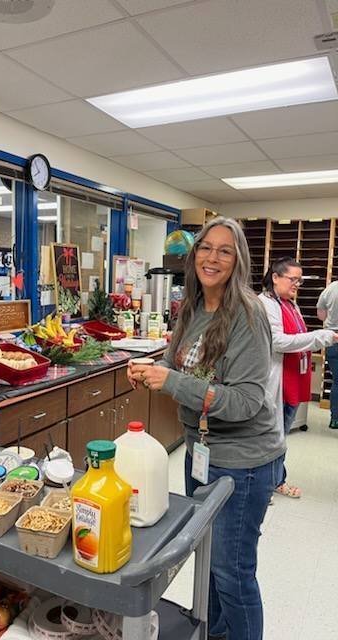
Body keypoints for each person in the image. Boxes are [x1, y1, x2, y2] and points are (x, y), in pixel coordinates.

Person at [128, 217, 284, 640]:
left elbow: (247, 402)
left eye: (225, 250)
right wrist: (154, 369)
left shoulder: (247, 316)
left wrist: (172, 382)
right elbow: (183, 364)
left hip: (243, 464)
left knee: (233, 574)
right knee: (211, 561)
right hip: (204, 454)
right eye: (205, 247)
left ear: (239, 261)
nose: (212, 258)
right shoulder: (195, 308)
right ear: (193, 254)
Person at [259, 258, 337, 498]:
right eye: (293, 279)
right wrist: (322, 337)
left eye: (299, 280)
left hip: (292, 379)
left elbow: (298, 334)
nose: (297, 284)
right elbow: (278, 342)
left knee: (280, 437)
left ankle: (275, 481)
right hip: (277, 380)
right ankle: (265, 487)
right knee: (272, 438)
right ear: (275, 277)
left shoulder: (290, 304)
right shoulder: (265, 304)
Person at [317, 280, 338, 428]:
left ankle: (335, 419)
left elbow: (321, 316)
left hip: (332, 339)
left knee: (337, 381)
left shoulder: (330, 288)